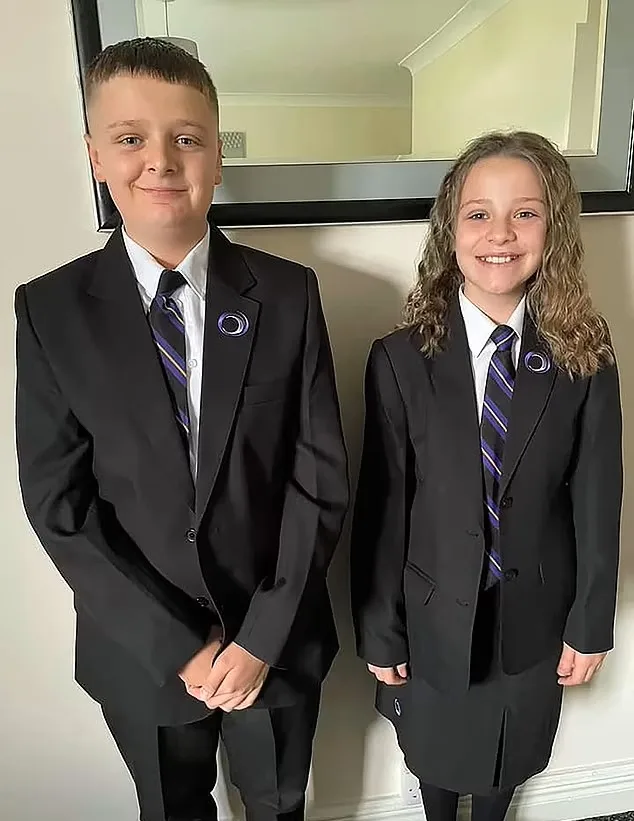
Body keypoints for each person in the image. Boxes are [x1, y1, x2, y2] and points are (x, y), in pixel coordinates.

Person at [15, 37, 349, 821]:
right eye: (131, 138)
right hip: (140, 649)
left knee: (277, 802)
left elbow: (319, 478)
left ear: (217, 156)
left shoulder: (290, 293)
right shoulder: (50, 309)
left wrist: (259, 638)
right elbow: (59, 504)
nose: (160, 159)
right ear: (96, 156)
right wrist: (180, 647)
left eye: (186, 137)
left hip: (275, 639)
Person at [350, 130, 622, 821]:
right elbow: (382, 507)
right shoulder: (399, 359)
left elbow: (598, 493)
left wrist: (590, 621)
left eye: (525, 213)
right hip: (433, 614)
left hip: (536, 610)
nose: (500, 234)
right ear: (451, 230)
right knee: (436, 756)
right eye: (479, 213)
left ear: (553, 229)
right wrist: (381, 627)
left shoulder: (583, 350)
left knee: (515, 748)